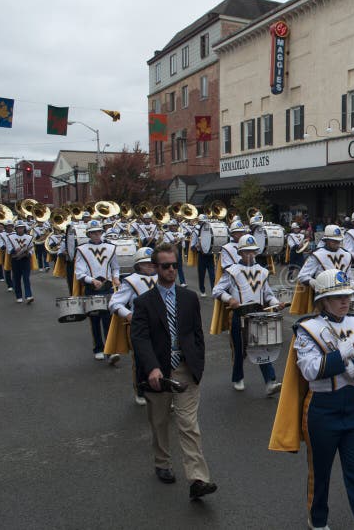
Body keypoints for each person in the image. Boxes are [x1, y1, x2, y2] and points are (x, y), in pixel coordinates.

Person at [273, 269, 354, 530]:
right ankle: (319, 521)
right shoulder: (307, 329)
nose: (344, 301)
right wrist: (339, 357)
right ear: (323, 300)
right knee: (320, 473)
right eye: (337, 297)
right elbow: (310, 369)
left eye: (346, 295)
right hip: (322, 409)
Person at [130, 243, 217, 500]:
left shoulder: (189, 298)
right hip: (158, 372)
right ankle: (162, 462)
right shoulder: (143, 302)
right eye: (165, 266)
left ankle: (198, 479)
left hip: (185, 369)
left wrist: (197, 362)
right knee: (159, 421)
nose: (171, 270)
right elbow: (140, 339)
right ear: (155, 268)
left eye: (174, 265)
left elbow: (196, 334)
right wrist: (152, 368)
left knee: (188, 424)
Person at [211, 234, 284, 395]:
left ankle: (270, 381)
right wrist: (229, 299)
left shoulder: (262, 271)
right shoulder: (232, 271)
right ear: (240, 253)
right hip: (240, 315)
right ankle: (238, 378)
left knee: (261, 348)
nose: (250, 254)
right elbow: (217, 290)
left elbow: (268, 295)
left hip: (258, 315)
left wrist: (275, 304)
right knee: (239, 350)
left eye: (252, 251)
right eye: (246, 252)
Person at [108, 247, 158, 405]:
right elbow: (114, 303)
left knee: (163, 357)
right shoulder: (131, 281)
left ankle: (160, 388)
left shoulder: (162, 277)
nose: (150, 266)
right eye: (145, 264)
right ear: (138, 266)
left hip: (161, 325)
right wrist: (128, 314)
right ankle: (141, 390)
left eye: (152, 263)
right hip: (140, 325)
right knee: (141, 359)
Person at [74, 220, 120, 362]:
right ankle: (98, 348)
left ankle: (110, 350)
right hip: (92, 288)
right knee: (95, 319)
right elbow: (79, 273)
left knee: (108, 319)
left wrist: (116, 278)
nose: (96, 235)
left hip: (107, 287)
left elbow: (115, 267)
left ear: (101, 232)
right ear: (88, 234)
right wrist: (91, 280)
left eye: (98, 232)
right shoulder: (82, 249)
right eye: (93, 233)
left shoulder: (110, 247)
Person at [8, 220, 35, 304]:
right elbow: (8, 250)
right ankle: (19, 296)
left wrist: (28, 253)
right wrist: (14, 250)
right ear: (16, 229)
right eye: (18, 228)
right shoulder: (10, 237)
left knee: (26, 278)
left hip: (25, 260)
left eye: (22, 228)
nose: (20, 229)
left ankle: (28, 295)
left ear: (24, 228)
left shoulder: (29, 237)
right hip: (15, 260)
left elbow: (32, 249)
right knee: (17, 279)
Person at [190, 214, 215, 297]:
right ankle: (202, 290)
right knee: (201, 274)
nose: (203, 224)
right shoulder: (195, 231)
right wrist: (197, 246)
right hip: (201, 255)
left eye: (204, 222)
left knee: (212, 275)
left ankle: (213, 291)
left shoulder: (210, 230)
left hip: (210, 255)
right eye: (201, 222)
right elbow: (192, 247)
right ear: (199, 222)